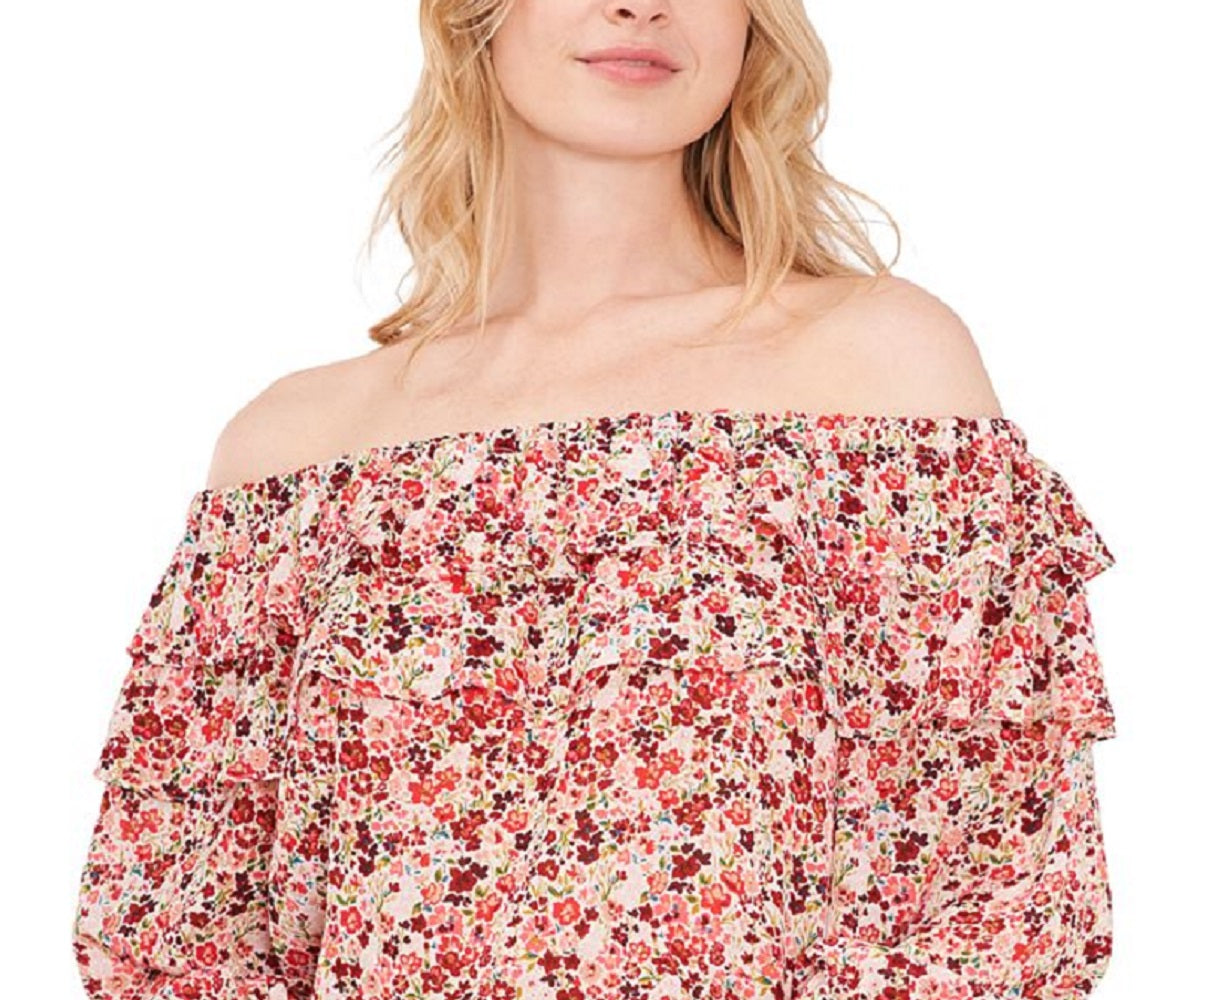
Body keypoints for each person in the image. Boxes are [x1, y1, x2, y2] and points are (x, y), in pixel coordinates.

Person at [71, 2, 1119, 998]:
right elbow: (179, 929)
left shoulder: (873, 375)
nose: (641, 7)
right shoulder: (295, 453)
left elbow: (999, 884)